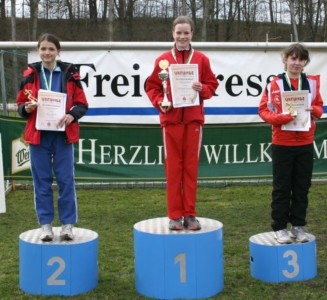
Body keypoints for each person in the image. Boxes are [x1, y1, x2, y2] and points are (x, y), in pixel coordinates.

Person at [146, 16, 218, 231]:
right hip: (171, 121)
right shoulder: (163, 60)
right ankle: (175, 216)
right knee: (173, 169)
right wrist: (161, 102)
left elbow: (212, 85)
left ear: (192, 34)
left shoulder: (202, 59)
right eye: (179, 33)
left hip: (193, 120)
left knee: (191, 168)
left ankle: (190, 214)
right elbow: (152, 87)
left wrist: (201, 89)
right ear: (173, 33)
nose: (182, 37)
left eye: (186, 33)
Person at [16, 33, 89, 241]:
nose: (47, 53)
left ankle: (67, 224)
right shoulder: (30, 73)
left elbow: (82, 104)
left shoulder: (69, 73)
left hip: (63, 136)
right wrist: (27, 108)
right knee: (42, 182)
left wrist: (71, 115)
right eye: (43, 49)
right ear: (38, 51)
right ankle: (46, 224)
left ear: (58, 51)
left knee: (66, 180)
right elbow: (20, 103)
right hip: (39, 137)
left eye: (51, 49)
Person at [259, 43, 323, 244]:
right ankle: (279, 227)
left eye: (301, 59)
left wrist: (315, 110)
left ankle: (298, 225)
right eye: (293, 58)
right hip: (282, 143)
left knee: (302, 187)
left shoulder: (312, 83)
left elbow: (319, 107)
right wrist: (282, 118)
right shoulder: (274, 84)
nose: (297, 63)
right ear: (285, 60)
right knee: (282, 187)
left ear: (305, 62)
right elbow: (263, 111)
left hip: (305, 142)